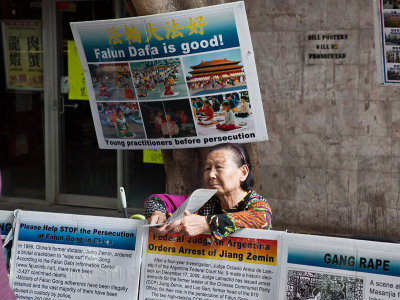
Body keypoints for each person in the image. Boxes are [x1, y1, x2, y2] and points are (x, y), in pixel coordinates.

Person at [145, 143, 272, 240]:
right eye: (207, 168)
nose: (211, 174)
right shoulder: (203, 201)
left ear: (243, 173)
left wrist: (206, 223)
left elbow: (262, 219)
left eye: (219, 167)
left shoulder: (255, 203)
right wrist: (157, 214)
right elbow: (157, 200)